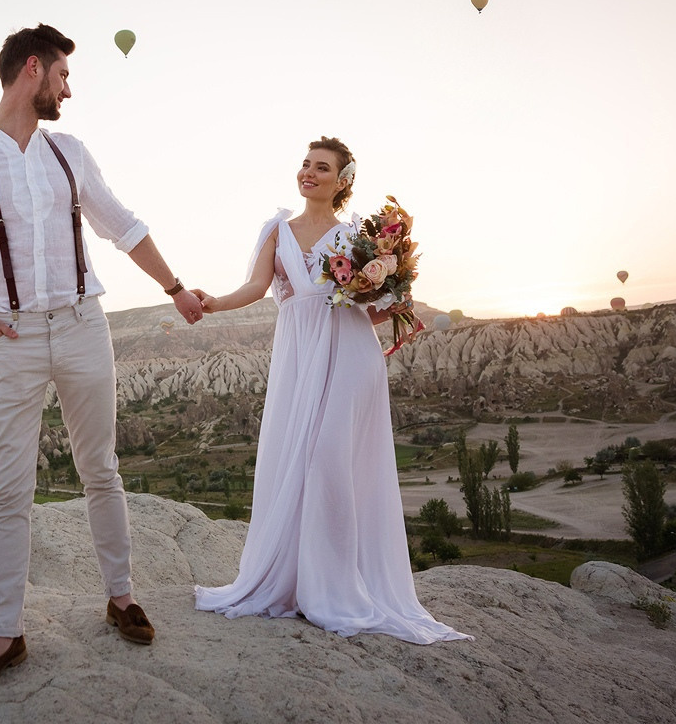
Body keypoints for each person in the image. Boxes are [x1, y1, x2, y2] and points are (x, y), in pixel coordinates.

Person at [0, 23, 204, 697]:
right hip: (9, 341)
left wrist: (174, 289)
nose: (68, 90)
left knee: (99, 467)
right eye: (63, 76)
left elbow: (122, 225)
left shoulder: (69, 152)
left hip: (82, 326)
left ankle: (121, 596)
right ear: (31, 71)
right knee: (11, 486)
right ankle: (3, 633)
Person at [191, 137, 470, 645]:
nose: (308, 172)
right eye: (304, 164)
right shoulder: (276, 228)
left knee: (329, 460)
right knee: (298, 460)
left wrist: (396, 297)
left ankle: (338, 586)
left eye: (321, 167)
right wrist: (213, 304)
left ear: (342, 180)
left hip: (349, 352)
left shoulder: (357, 237)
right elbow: (255, 288)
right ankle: (300, 582)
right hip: (299, 352)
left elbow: (369, 305)